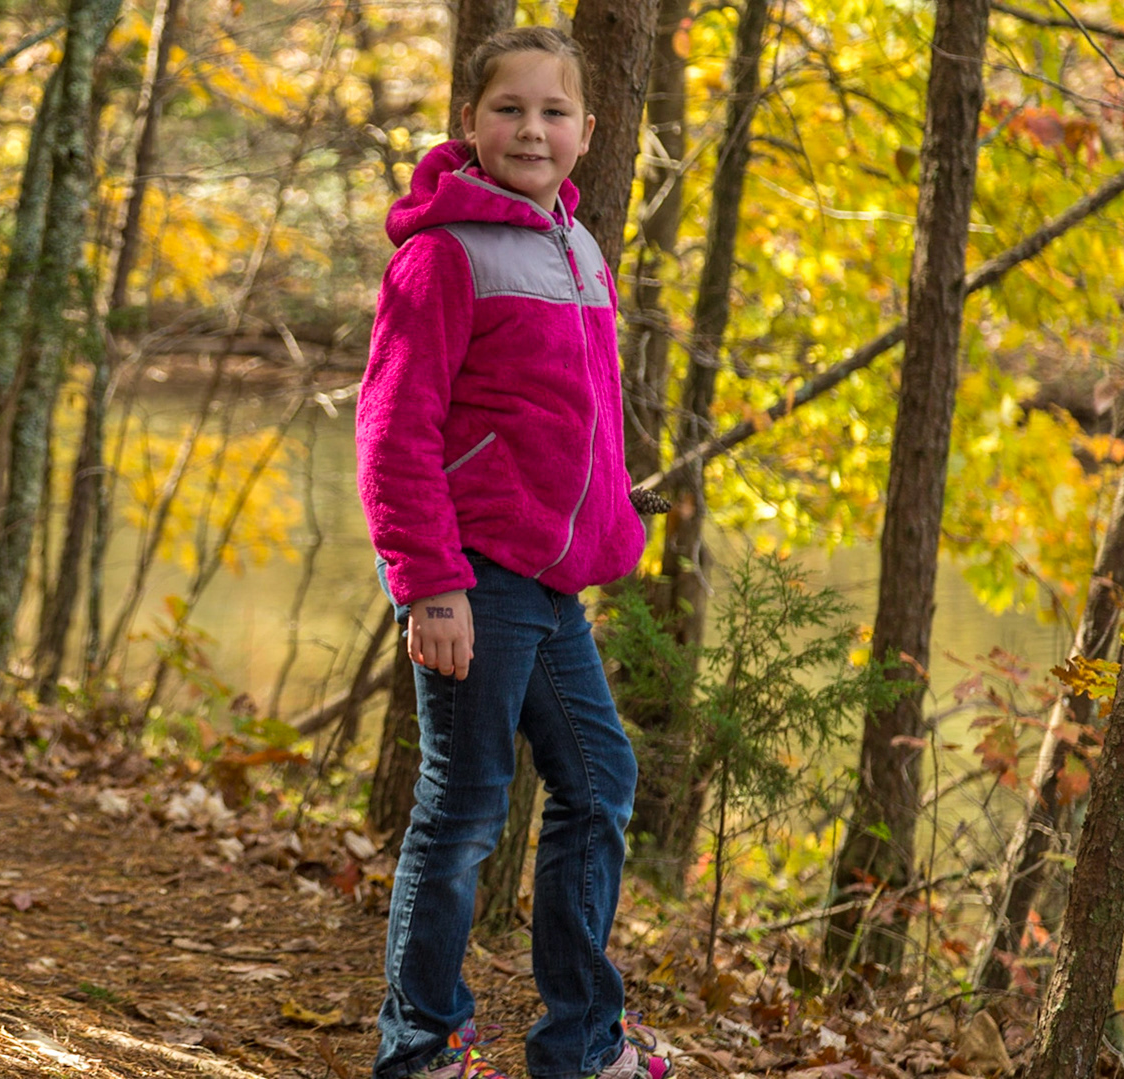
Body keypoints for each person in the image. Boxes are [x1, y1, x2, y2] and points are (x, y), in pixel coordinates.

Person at [354, 25, 671, 1079]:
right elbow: (394, 430)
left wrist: (610, 516)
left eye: (553, 112)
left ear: (588, 129)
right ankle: (421, 1050)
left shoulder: (578, 250)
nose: (531, 129)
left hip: (547, 582)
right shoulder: (443, 254)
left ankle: (577, 1046)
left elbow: (579, 420)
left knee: (600, 779)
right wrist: (430, 584)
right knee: (464, 807)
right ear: (471, 122)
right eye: (509, 109)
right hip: (475, 573)